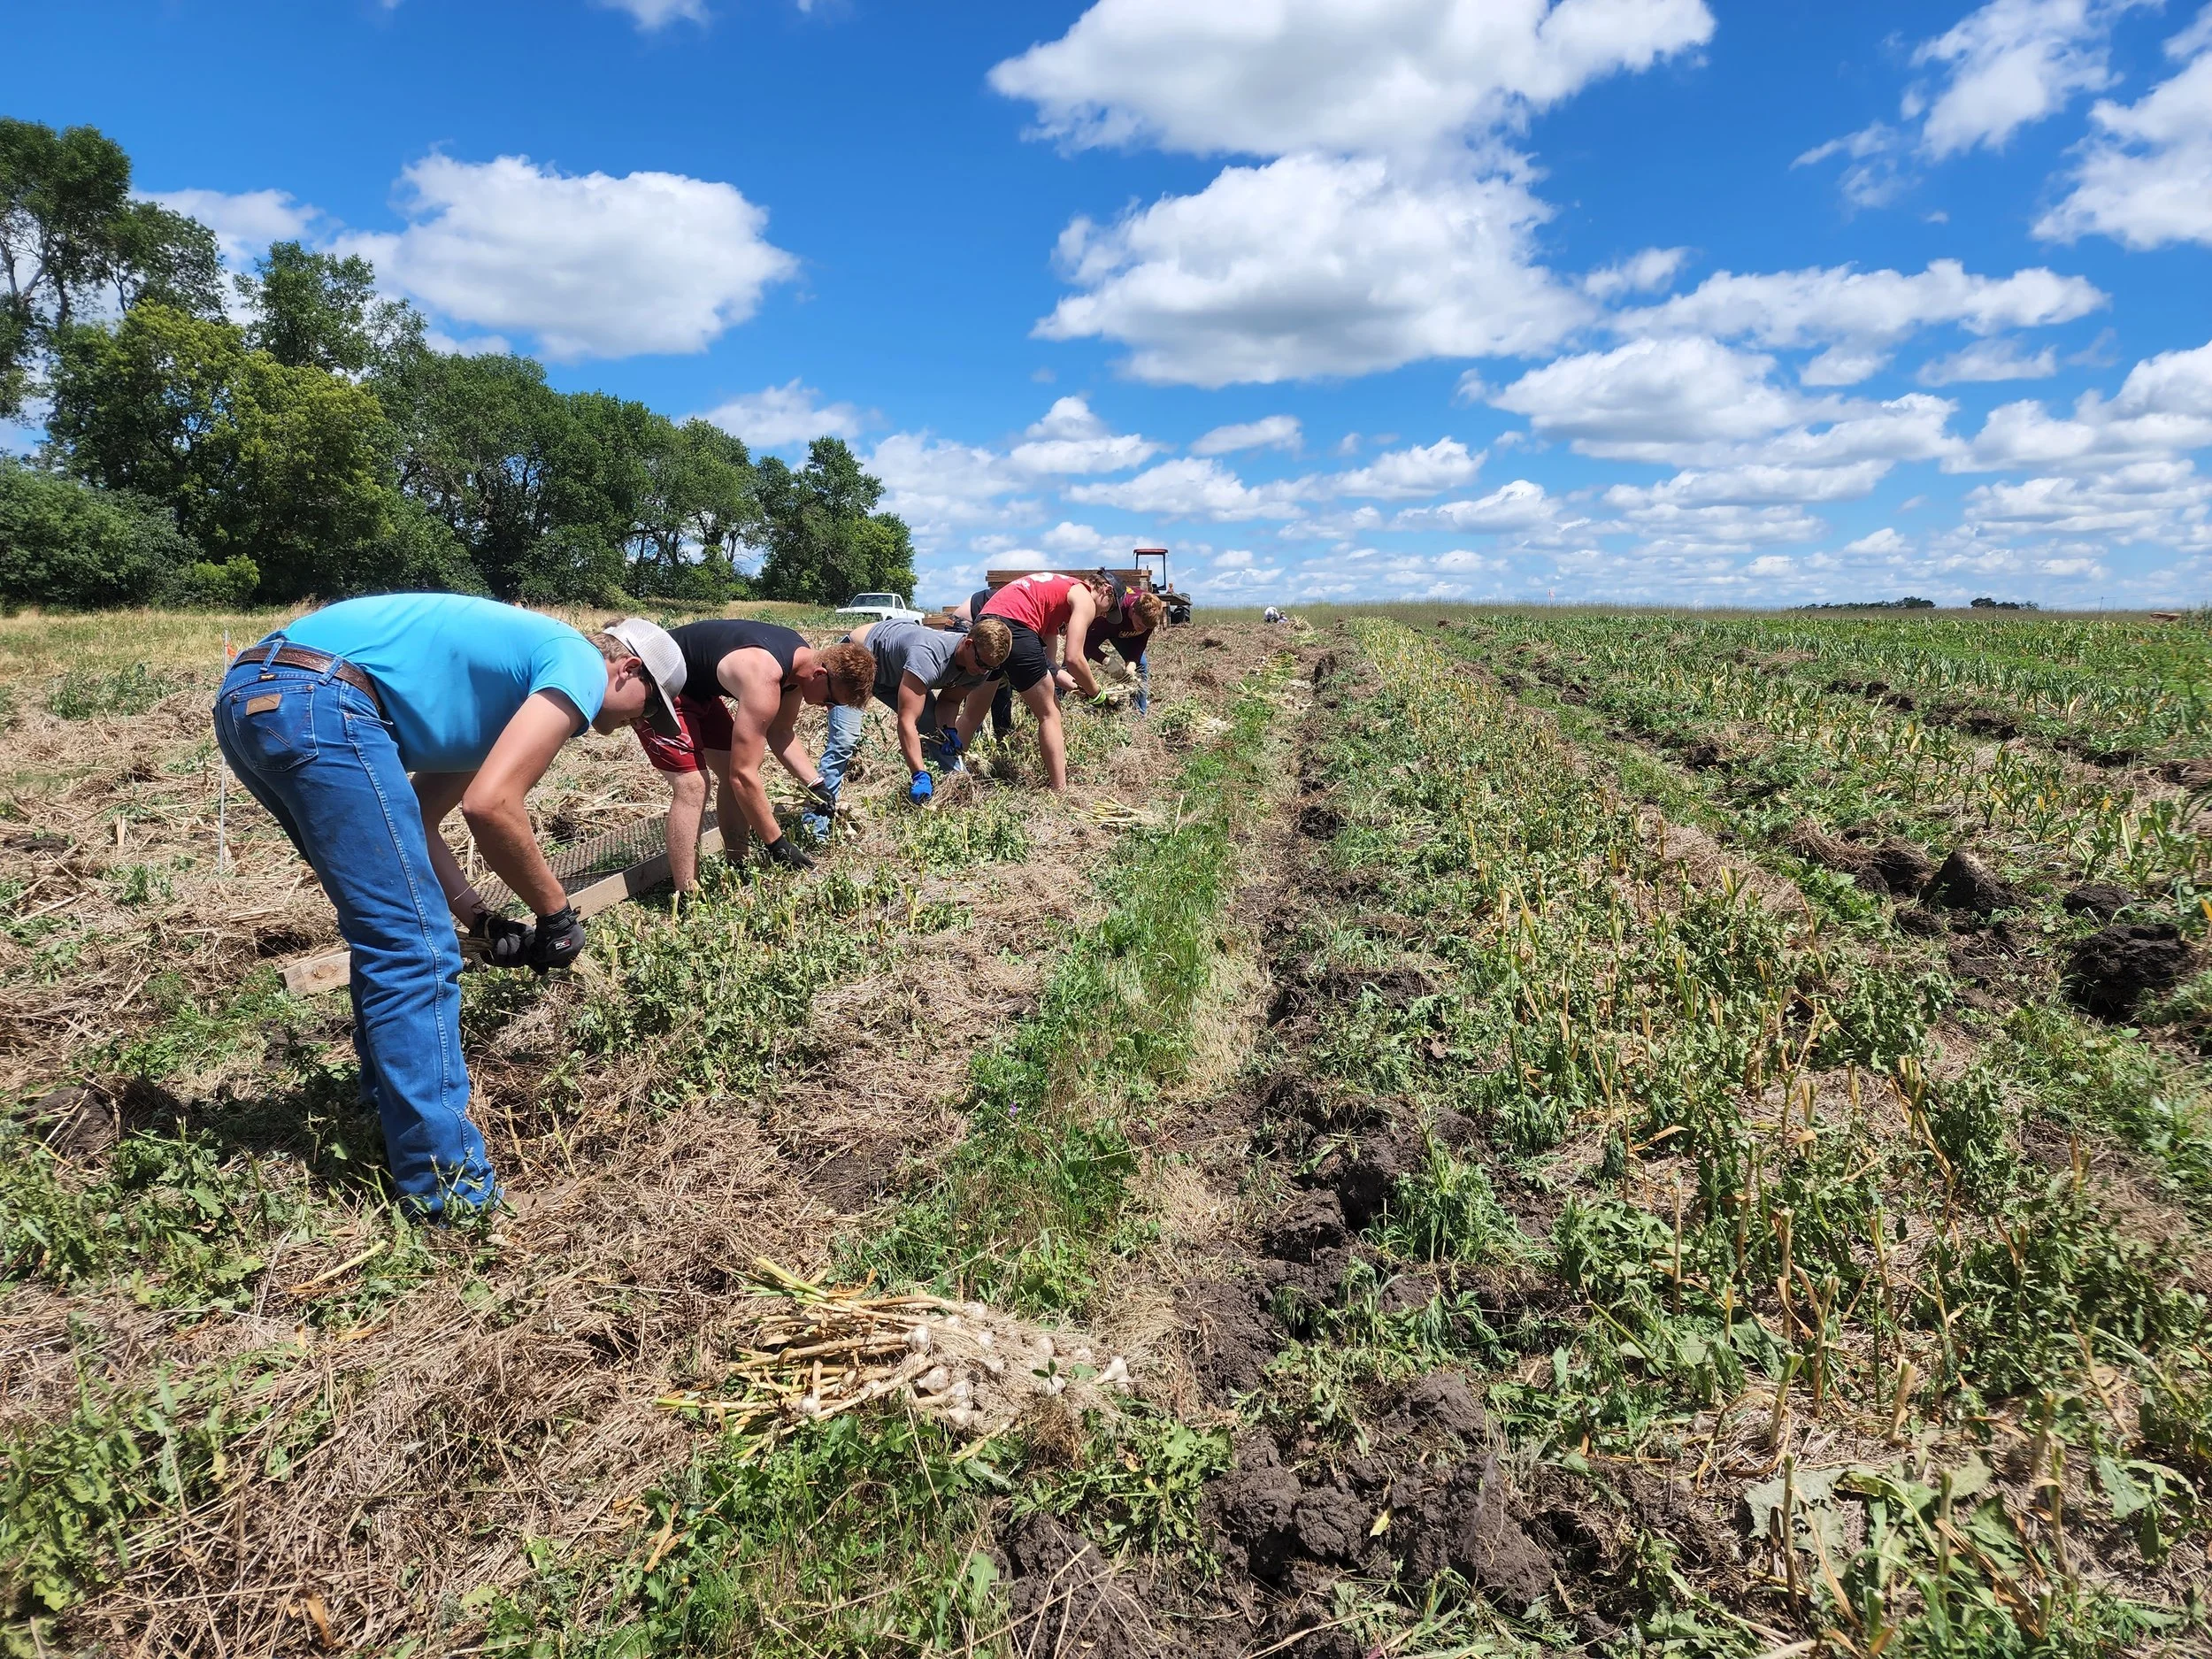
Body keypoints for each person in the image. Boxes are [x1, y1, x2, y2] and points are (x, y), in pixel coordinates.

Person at [212, 595, 675, 1219]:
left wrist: (479, 918)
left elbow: (419, 820)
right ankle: (451, 1192)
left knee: (388, 935)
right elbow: (493, 806)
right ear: (627, 670)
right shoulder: (580, 663)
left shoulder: (493, 706)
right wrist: (557, 914)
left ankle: (385, 1110)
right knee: (414, 952)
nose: (640, 723)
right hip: (320, 698)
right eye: (650, 706)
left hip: (255, 695)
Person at [627, 617, 874, 886]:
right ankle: (687, 893)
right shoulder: (764, 678)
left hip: (698, 688)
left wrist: (815, 784)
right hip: (656, 681)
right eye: (831, 699)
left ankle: (737, 865)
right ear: (820, 675)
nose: (828, 708)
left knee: (729, 766)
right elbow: (743, 776)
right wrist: (776, 843)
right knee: (693, 786)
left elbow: (781, 732)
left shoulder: (798, 668)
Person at [806, 616, 1012, 831]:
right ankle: (815, 826)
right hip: (859, 656)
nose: (983, 671)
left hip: (897, 673)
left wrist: (949, 730)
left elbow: (949, 701)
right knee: (844, 742)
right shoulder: (929, 656)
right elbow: (907, 721)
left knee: (937, 733)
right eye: (981, 664)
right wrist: (918, 773)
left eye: (990, 667)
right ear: (968, 644)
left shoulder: (981, 667)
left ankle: (962, 795)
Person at [951, 572, 1114, 791]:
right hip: (1017, 627)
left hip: (986, 624)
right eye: (1108, 609)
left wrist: (1079, 688)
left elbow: (1050, 666)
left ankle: (950, 774)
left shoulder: (1053, 597)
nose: (1102, 616)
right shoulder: (1085, 596)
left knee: (972, 715)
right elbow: (1074, 658)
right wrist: (1096, 693)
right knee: (1050, 714)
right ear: (1106, 590)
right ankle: (1060, 790)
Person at [1072, 588, 1167, 713]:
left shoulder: (1149, 617)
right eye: (1140, 625)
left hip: (1123, 634)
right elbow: (1086, 645)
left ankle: (1138, 712)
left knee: (1141, 665)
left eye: (1146, 628)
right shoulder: (1113, 607)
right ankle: (1060, 697)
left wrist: (1132, 662)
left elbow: (1141, 641)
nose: (1142, 630)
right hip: (1101, 628)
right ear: (1133, 611)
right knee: (1075, 661)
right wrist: (1107, 661)